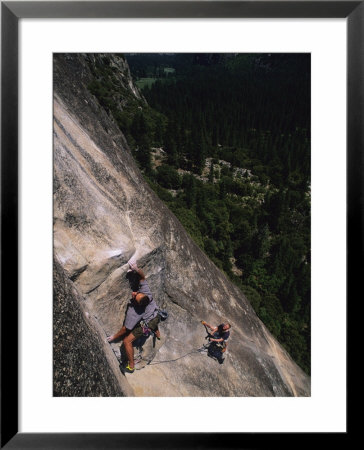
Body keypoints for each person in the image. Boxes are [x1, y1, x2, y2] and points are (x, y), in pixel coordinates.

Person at [107, 258, 160, 374]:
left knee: (127, 341)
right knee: (155, 318)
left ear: (137, 304)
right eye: (136, 294)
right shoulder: (146, 294)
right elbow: (142, 277)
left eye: (134, 297)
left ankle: (131, 367)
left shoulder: (135, 312)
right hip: (155, 314)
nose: (134, 293)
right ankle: (157, 330)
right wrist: (136, 269)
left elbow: (126, 328)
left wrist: (114, 337)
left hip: (147, 323)